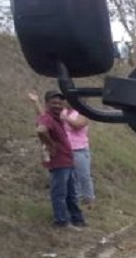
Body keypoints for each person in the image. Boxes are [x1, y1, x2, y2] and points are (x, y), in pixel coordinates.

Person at [29, 92, 96, 206]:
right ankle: (76, 199)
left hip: (79, 149)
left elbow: (78, 124)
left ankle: (89, 199)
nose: (66, 102)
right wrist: (36, 102)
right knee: (71, 177)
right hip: (65, 150)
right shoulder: (62, 112)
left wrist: (66, 118)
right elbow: (44, 116)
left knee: (83, 175)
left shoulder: (82, 114)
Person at [35, 90, 86, 228]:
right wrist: (50, 145)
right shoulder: (48, 118)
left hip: (67, 160)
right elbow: (41, 130)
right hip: (59, 162)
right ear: (47, 104)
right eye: (54, 103)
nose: (57, 105)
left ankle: (77, 219)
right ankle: (62, 221)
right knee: (60, 193)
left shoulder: (57, 117)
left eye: (59, 103)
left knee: (71, 193)